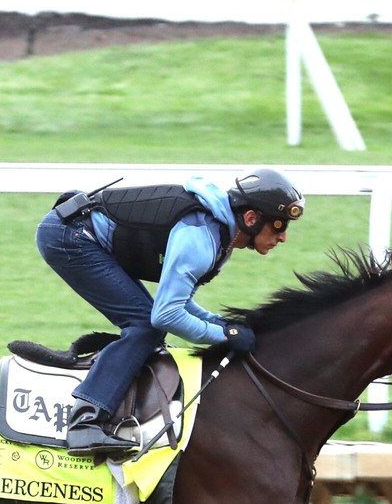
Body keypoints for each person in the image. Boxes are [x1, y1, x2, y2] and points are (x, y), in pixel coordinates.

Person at [35, 167, 305, 457]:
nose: (283, 237)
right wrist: (223, 337)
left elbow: (179, 302)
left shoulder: (218, 233)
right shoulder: (201, 237)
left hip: (81, 231)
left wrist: (223, 325)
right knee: (145, 326)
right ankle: (84, 423)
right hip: (70, 236)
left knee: (147, 325)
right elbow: (166, 315)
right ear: (251, 219)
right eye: (279, 226)